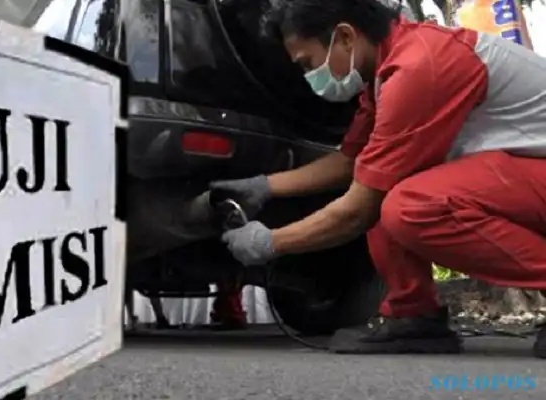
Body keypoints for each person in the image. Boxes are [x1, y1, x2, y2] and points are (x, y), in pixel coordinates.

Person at [211, 0, 546, 356]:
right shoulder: (388, 69)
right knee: (389, 185)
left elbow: (358, 209)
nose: (309, 77)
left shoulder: (421, 66)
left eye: (308, 64)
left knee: (412, 206)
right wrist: (265, 186)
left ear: (344, 37)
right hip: (525, 171)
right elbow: (352, 162)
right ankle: (413, 316)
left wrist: (270, 243)